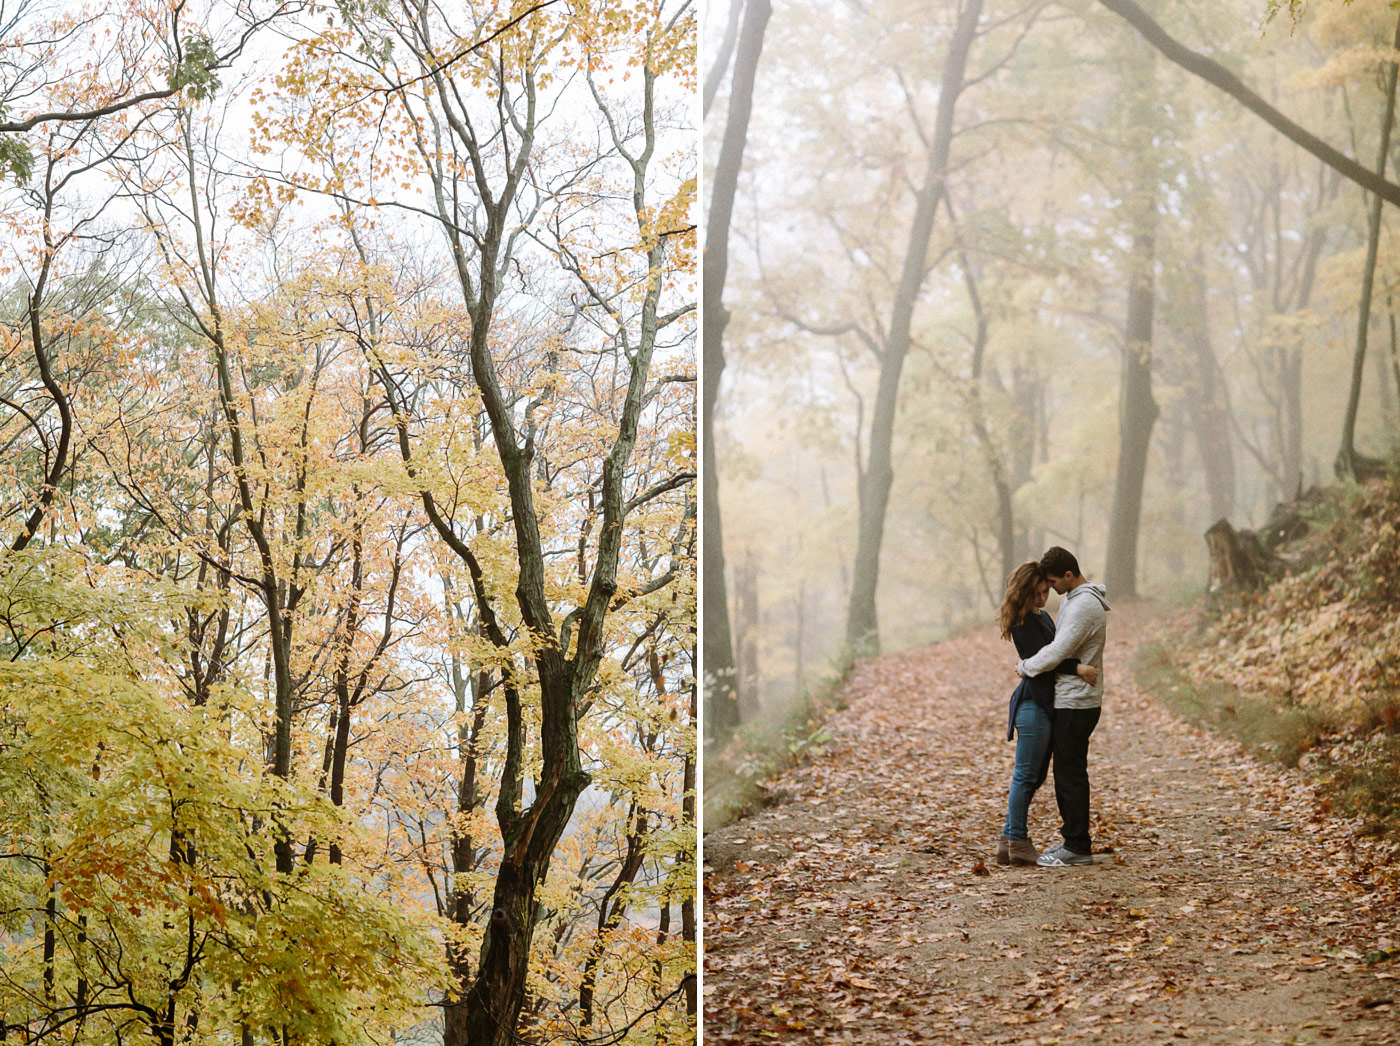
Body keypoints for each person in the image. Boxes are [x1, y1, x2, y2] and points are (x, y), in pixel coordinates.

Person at [996, 562, 1098, 866]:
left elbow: (1051, 655)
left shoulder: (1038, 616)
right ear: (1026, 592)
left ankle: (1007, 841)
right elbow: (1044, 660)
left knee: (1032, 776)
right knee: (1025, 776)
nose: (1044, 597)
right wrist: (1077, 668)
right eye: (1039, 592)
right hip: (1033, 707)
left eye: (1045, 591)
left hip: (1041, 705)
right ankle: (1018, 842)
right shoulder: (1023, 621)